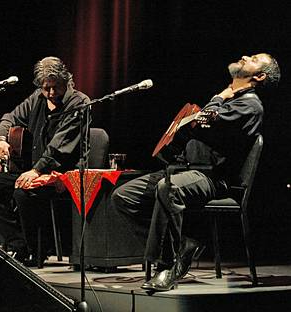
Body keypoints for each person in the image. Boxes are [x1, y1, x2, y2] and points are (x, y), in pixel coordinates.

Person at [110, 53, 280, 291]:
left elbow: (204, 122)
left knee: (167, 189)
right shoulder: (232, 100)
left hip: (213, 177)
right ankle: (182, 245)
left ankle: (166, 267)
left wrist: (218, 97)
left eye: (252, 58)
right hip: (186, 169)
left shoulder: (250, 105)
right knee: (123, 197)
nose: (244, 56)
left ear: (259, 76)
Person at [0, 56, 90, 266]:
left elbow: (59, 145)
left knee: (24, 193)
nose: (51, 93)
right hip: (33, 170)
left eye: (56, 87)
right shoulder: (37, 98)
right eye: (46, 88)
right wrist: (1, 140)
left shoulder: (79, 103)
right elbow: (9, 117)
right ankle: (20, 245)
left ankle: (37, 250)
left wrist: (37, 171)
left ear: (66, 81)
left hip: (62, 174)